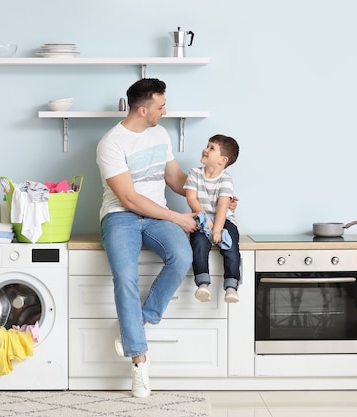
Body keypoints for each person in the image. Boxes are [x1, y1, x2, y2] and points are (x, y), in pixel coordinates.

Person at [95, 78, 236, 398]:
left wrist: (215, 191)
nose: (165, 111)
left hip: (157, 216)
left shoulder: (160, 133)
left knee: (182, 257)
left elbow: (175, 178)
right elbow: (129, 199)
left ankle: (140, 321)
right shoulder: (111, 143)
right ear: (142, 109)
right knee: (125, 277)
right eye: (160, 106)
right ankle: (139, 364)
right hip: (120, 217)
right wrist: (176, 217)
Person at [184, 134, 241, 304]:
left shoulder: (226, 179)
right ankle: (202, 283)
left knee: (231, 248)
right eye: (207, 146)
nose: (205, 150)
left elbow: (223, 206)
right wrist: (205, 219)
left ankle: (231, 286)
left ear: (222, 160)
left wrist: (217, 229)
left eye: (211, 148)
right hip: (202, 218)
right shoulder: (194, 173)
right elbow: (191, 199)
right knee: (199, 244)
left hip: (225, 219)